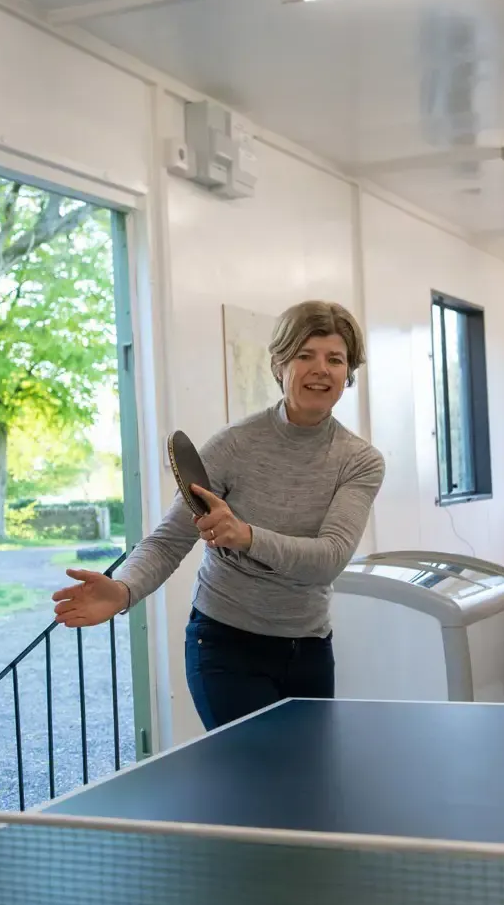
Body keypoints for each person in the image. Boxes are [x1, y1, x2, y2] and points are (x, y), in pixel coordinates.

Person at [52, 300, 385, 730]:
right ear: (279, 364)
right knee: (250, 782)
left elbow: (328, 560)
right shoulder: (233, 445)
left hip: (309, 647)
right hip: (225, 645)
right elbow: (168, 540)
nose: (320, 368)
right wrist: (124, 588)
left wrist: (245, 535)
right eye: (305, 355)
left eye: (335, 359)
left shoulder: (360, 461)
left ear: (348, 375)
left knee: (303, 785)